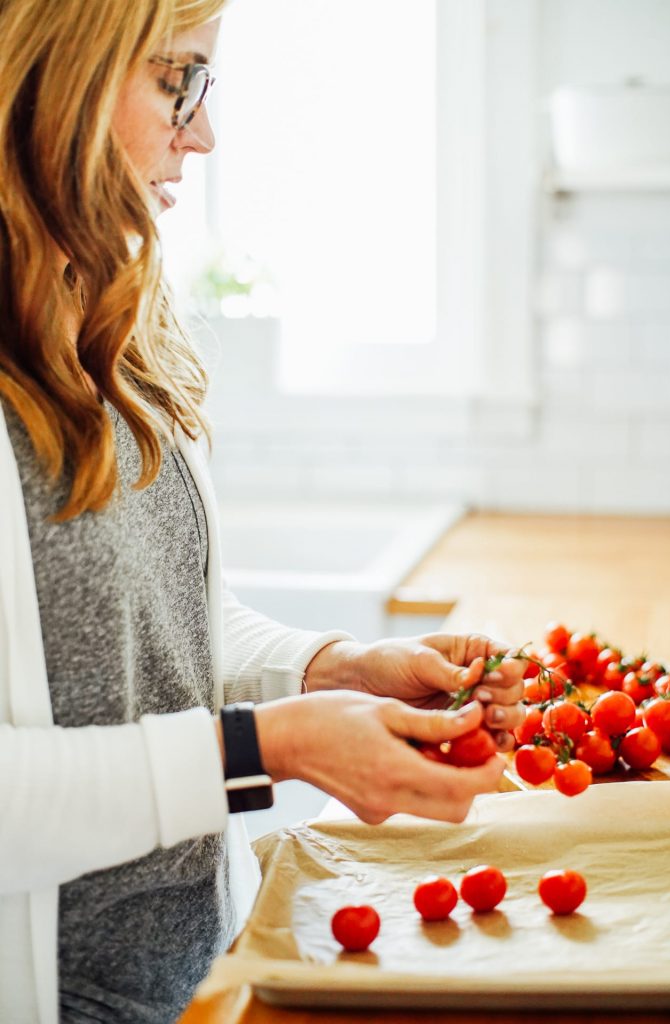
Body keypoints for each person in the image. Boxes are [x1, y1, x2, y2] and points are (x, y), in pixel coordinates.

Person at [0, 1, 526, 1022]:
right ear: (57, 76)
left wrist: (331, 667)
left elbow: (169, 632)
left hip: (197, 976)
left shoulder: (119, 330)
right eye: (175, 79)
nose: (202, 132)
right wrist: (264, 745)